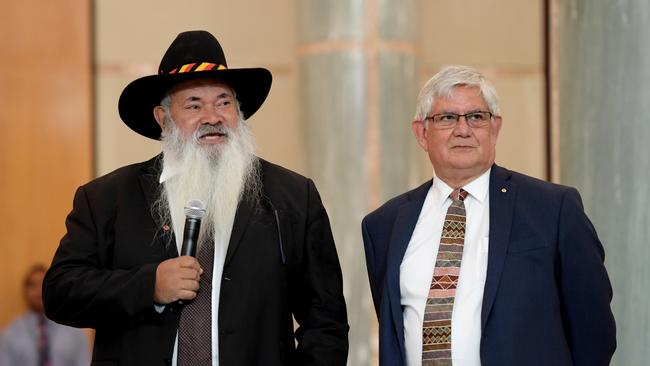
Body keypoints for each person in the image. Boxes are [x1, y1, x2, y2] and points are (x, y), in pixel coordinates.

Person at [43, 30, 349, 366]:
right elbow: (61, 292)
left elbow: (326, 320)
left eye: (223, 102)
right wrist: (150, 286)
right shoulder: (107, 198)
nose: (213, 117)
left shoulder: (291, 196)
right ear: (164, 119)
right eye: (194, 104)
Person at [361, 65, 616, 366]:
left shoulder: (553, 209)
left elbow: (594, 331)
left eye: (476, 117)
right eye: (446, 118)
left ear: (495, 128)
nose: (463, 129)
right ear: (422, 133)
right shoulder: (384, 225)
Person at [0, 264, 90, 366]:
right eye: (32, 285)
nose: (39, 290)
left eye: (43, 284)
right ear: (25, 292)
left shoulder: (75, 332)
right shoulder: (10, 334)